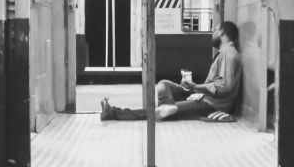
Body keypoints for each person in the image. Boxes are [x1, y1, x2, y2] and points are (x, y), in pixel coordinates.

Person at [100, 21, 242, 121]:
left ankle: (114, 113)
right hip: (204, 97)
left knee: (163, 111)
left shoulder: (228, 53)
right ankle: (170, 109)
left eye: (215, 30)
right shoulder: (225, 52)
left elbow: (226, 87)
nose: (213, 33)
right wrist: (194, 88)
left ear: (221, 31)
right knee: (163, 84)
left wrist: (196, 87)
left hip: (210, 104)